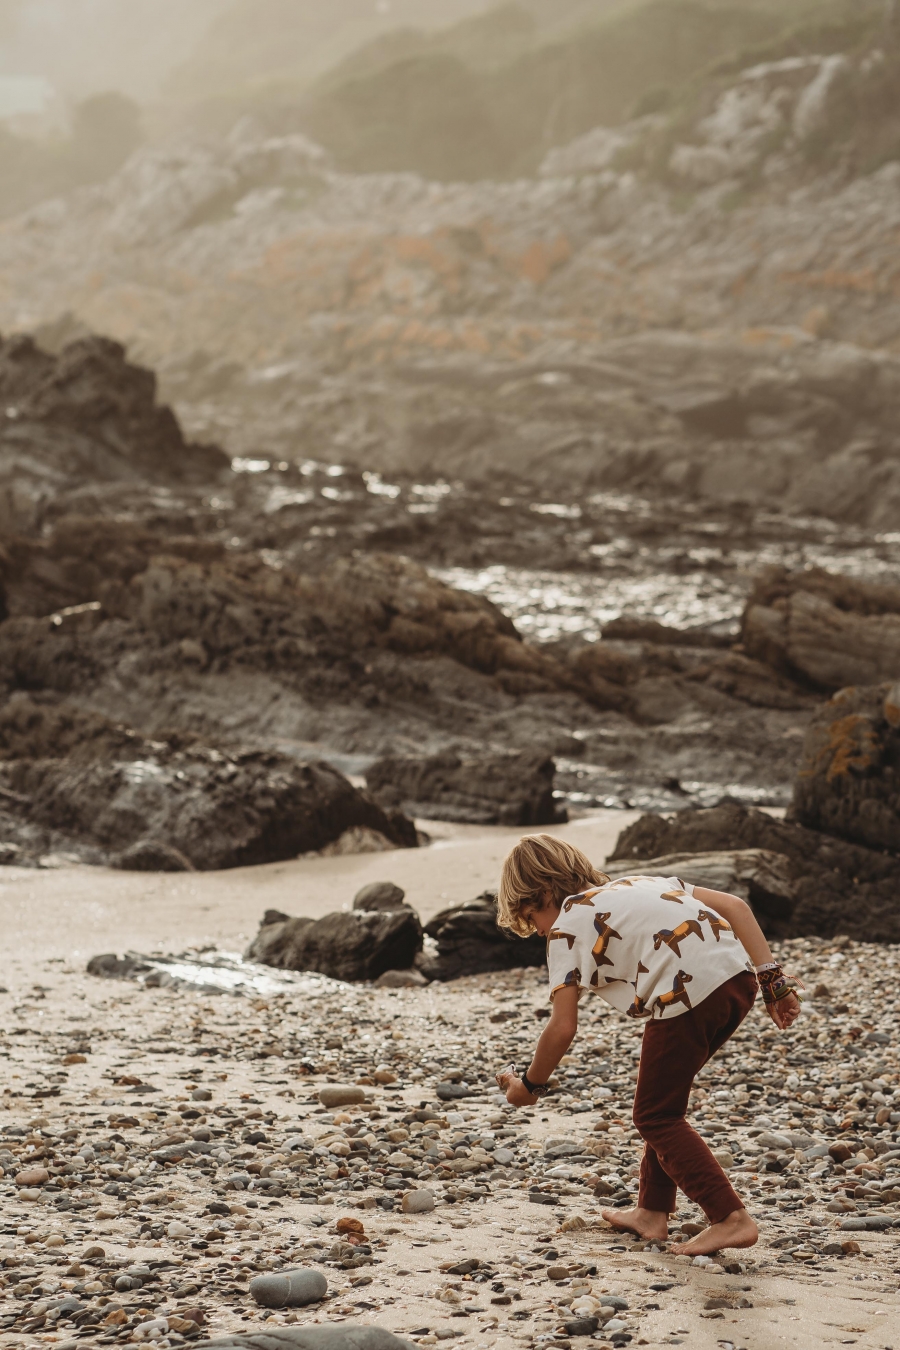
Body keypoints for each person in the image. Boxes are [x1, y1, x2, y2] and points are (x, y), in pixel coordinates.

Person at [494, 834, 803, 1255]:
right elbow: (735, 906)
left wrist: (530, 1085)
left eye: (532, 918)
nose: (538, 931)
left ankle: (730, 1218)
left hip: (686, 993)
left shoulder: (564, 929)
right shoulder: (639, 883)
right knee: (662, 1101)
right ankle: (652, 1213)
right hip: (738, 982)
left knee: (655, 1115)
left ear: (545, 893)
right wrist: (774, 983)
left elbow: (563, 1027)